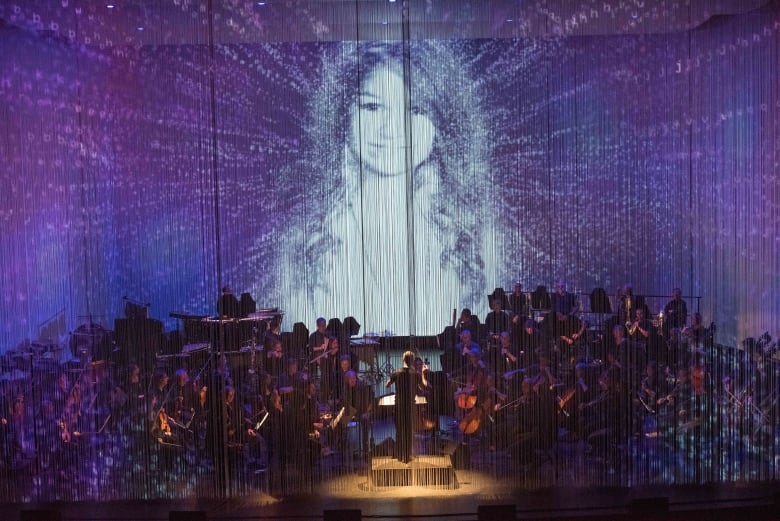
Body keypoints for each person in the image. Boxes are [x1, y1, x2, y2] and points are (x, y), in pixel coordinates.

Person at [278, 41, 491, 337]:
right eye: (372, 106)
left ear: (441, 122)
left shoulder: (468, 230)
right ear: (344, 114)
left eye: (414, 110)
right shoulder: (306, 235)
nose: (392, 129)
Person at [386, 350, 427, 463]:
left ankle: (400, 455)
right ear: (413, 361)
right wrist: (423, 373)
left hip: (399, 406)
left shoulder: (396, 372)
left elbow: (387, 385)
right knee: (409, 431)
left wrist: (391, 378)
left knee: (399, 430)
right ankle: (408, 455)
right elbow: (424, 386)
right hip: (410, 406)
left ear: (403, 359)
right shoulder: (415, 374)